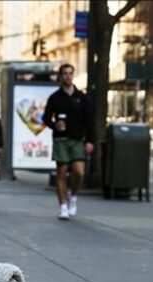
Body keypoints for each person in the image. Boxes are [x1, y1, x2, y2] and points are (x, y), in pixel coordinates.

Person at [42, 63, 94, 220]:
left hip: (78, 139)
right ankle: (63, 206)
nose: (68, 76)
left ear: (74, 75)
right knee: (61, 173)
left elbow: (89, 120)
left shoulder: (81, 97)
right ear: (60, 76)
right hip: (61, 140)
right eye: (65, 73)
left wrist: (90, 140)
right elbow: (45, 117)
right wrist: (54, 125)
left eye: (71, 73)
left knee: (79, 172)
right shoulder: (55, 98)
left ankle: (74, 195)